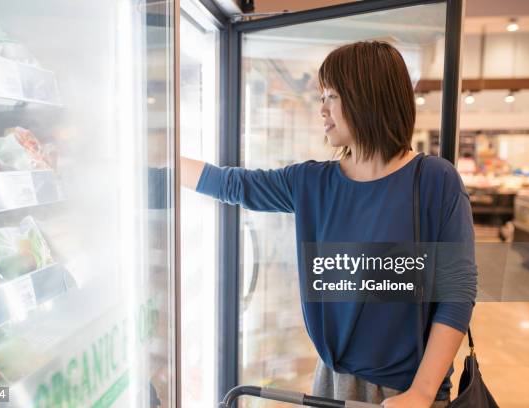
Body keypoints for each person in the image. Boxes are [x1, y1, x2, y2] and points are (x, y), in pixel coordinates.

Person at [181, 41, 477, 408]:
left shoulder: (434, 180)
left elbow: (458, 291)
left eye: (332, 96)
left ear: (368, 98)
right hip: (332, 385)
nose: (322, 108)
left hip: (408, 394)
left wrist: (421, 393)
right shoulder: (312, 182)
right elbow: (235, 184)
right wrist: (164, 163)